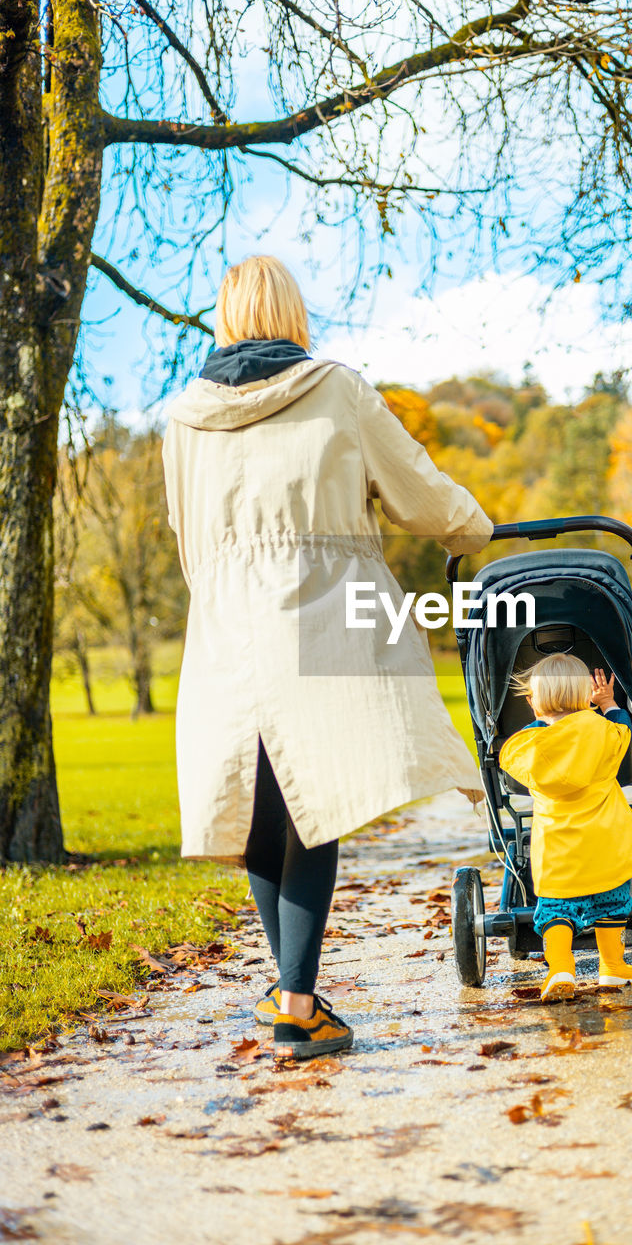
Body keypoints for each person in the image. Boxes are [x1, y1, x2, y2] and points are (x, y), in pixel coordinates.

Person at [162, 254, 493, 1058]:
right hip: (319, 615)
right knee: (321, 805)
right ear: (292, 313)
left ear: (226, 317)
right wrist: (472, 529)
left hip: (225, 628)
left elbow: (185, 537)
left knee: (264, 816)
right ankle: (298, 1004)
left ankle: (293, 996)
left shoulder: (181, 418)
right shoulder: (336, 389)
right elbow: (413, 486)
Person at [498, 653, 632, 1002]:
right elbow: (622, 731)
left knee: (555, 909)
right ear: (585, 696)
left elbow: (508, 756)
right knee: (612, 903)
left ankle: (561, 967)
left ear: (533, 702)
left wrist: (538, 723)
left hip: (557, 847)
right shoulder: (600, 730)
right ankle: (612, 967)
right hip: (606, 841)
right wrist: (608, 702)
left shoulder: (528, 746)